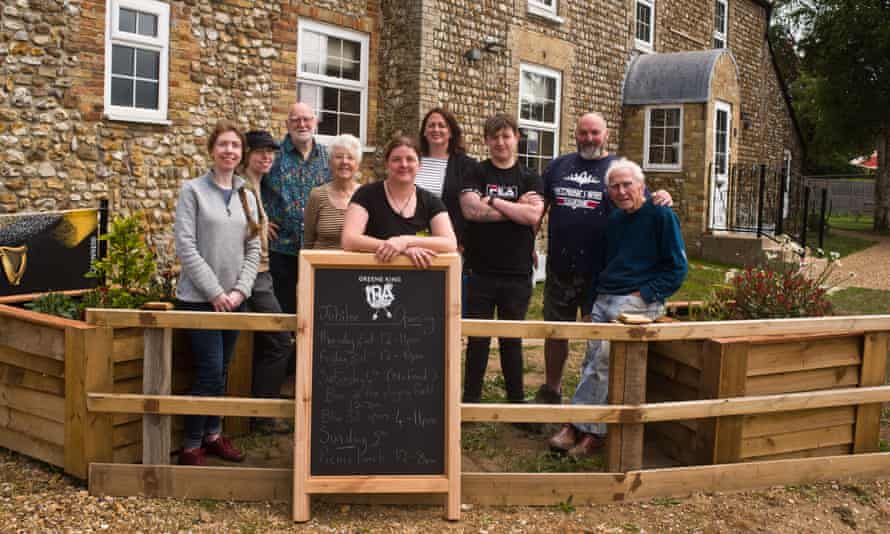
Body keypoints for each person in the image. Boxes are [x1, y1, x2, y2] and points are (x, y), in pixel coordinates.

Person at [548, 158, 688, 458]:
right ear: (608, 191)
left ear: (642, 186)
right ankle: (584, 425)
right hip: (605, 296)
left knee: (601, 361)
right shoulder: (614, 220)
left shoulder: (661, 215)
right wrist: (591, 302)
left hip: (637, 301)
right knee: (591, 359)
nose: (622, 191)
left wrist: (646, 293)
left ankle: (587, 430)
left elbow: (677, 268)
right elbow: (601, 265)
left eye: (628, 185)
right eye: (615, 186)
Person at [535, 113, 672, 405]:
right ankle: (552, 391)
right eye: (583, 133)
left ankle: (593, 404)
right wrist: (527, 245)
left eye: (594, 133)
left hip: (599, 272)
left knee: (595, 340)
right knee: (555, 332)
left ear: (606, 134)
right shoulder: (559, 166)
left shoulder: (617, 169)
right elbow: (539, 208)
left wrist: (662, 196)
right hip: (560, 268)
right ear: (575, 134)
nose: (588, 138)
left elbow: (640, 204)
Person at [174, 121, 261, 465]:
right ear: (212, 149)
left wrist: (240, 291)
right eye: (223, 145)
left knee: (222, 369)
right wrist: (214, 292)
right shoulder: (192, 191)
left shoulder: (246, 194)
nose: (229, 151)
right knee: (209, 370)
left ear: (242, 154)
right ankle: (191, 444)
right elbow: (185, 245)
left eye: (235, 146)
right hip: (198, 300)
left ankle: (213, 435)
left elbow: (254, 247)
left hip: (234, 301)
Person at [460, 113, 545, 405]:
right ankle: (470, 401)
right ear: (486, 140)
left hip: (517, 274)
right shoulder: (475, 172)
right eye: (494, 137)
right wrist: (514, 209)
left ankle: (516, 402)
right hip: (479, 271)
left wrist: (494, 201)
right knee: (478, 340)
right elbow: (470, 211)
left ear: (516, 138)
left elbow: (533, 215)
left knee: (512, 340)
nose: (500, 142)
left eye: (506, 136)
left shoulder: (530, 176)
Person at [240, 130, 292, 435]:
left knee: (265, 342)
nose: (266, 157)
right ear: (248, 155)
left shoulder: (257, 186)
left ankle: (256, 412)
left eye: (271, 152)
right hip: (254, 276)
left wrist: (263, 226)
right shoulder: (242, 187)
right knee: (278, 340)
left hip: (263, 272)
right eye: (260, 151)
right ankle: (263, 414)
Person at [341, 134, 457, 267]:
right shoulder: (366, 194)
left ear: (419, 164)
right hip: (371, 277)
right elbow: (349, 240)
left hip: (416, 281)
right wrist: (401, 249)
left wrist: (405, 241)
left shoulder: (431, 201)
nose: (404, 164)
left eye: (410, 159)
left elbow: (450, 243)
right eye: (396, 159)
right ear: (386, 164)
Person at [262, 102, 330, 315]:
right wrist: (257, 221)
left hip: (317, 249)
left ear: (316, 122)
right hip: (280, 250)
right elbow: (244, 184)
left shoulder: (329, 158)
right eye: (296, 120)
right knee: (283, 315)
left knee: (314, 313)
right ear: (287, 124)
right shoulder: (271, 155)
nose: (302, 124)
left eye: (307, 119)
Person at [417, 107, 478, 245]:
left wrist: (461, 241)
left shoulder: (466, 166)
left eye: (442, 126)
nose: (436, 129)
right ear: (424, 132)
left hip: (448, 241)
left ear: (451, 132)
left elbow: (469, 209)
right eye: (431, 125)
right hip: (413, 238)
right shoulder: (412, 160)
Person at [303, 134, 362, 250]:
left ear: (357, 164)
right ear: (329, 162)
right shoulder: (317, 195)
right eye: (339, 157)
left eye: (350, 157)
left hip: (357, 266)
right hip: (321, 266)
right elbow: (308, 242)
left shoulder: (367, 195)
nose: (344, 161)